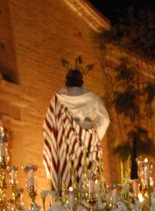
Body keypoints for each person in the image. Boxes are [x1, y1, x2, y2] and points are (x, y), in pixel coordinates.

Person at [43, 58, 110, 193]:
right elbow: (105, 120)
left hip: (64, 152)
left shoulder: (57, 99)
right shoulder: (92, 98)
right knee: (89, 183)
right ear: (81, 81)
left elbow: (49, 128)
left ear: (67, 81)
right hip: (88, 148)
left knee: (68, 186)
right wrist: (93, 137)